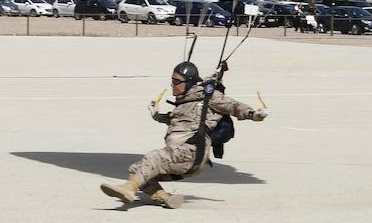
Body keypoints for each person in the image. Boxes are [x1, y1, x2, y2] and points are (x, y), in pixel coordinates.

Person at [100, 60, 267, 209]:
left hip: (191, 152)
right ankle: (165, 198)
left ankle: (128, 189)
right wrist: (156, 114)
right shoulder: (183, 103)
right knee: (135, 169)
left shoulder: (207, 97)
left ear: (189, 82)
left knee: (154, 158)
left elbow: (233, 106)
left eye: (176, 81)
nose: (173, 85)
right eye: (172, 81)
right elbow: (175, 120)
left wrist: (253, 114)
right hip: (178, 156)